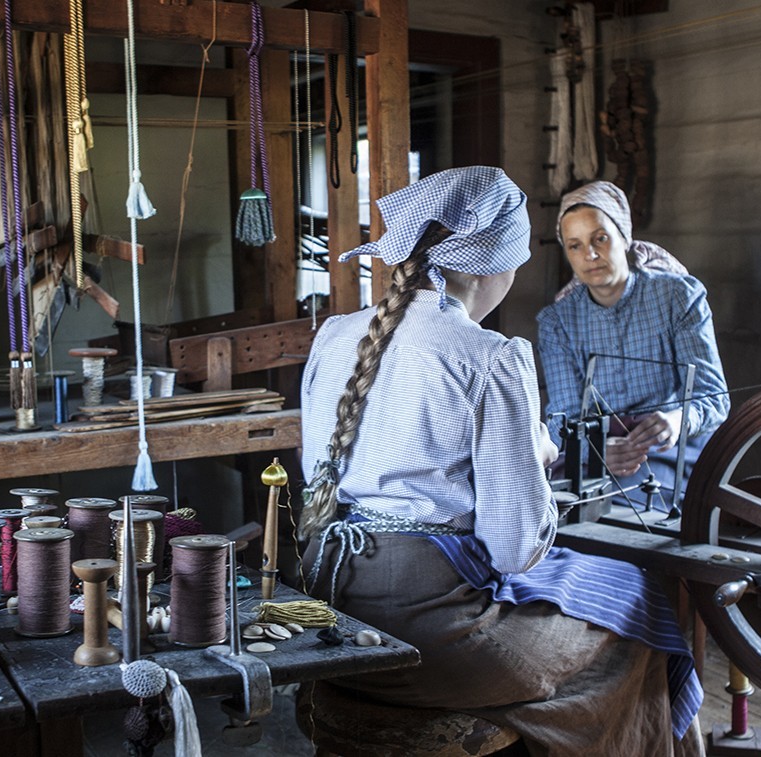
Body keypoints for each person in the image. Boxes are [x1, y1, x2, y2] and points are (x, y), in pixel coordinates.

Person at [298, 166, 703, 756]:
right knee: (640, 616)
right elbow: (515, 549)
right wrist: (533, 461)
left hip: (328, 617)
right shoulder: (491, 354)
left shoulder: (334, 335)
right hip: (426, 635)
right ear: (498, 263)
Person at [537, 181, 729, 512]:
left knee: (623, 508)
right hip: (593, 450)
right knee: (547, 510)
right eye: (575, 246)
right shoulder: (557, 321)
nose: (590, 255)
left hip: (668, 447)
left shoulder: (679, 297)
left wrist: (676, 420)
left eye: (600, 238)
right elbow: (561, 417)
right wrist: (593, 449)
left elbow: (714, 398)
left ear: (624, 236)